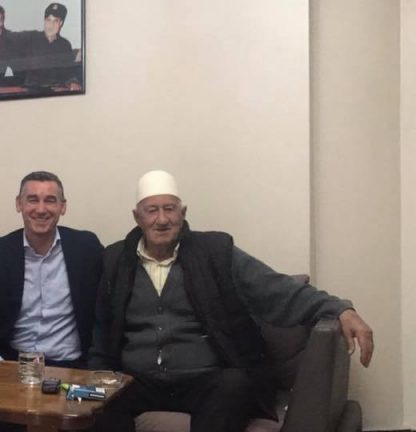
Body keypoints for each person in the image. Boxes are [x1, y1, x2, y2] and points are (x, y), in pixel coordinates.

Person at [89, 170, 374, 432]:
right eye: (152, 210)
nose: (162, 219)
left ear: (183, 213)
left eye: (169, 209)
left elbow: (276, 289)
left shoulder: (215, 252)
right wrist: (95, 377)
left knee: (234, 384)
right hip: (139, 381)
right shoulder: (115, 260)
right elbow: (103, 329)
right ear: (137, 217)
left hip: (204, 380)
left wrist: (338, 309)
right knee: (100, 400)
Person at [0, 171, 103, 368]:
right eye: (32, 200)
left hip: (70, 366)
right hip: (10, 364)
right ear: (19, 204)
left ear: (62, 207)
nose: (41, 209)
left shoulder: (86, 247)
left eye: (50, 200)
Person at [17, 3, 82, 90]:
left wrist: (72, 83)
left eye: (55, 21)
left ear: (61, 23)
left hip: (56, 91)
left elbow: (69, 73)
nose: (51, 25)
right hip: (32, 90)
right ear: (44, 21)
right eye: (48, 20)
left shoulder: (65, 45)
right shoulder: (31, 38)